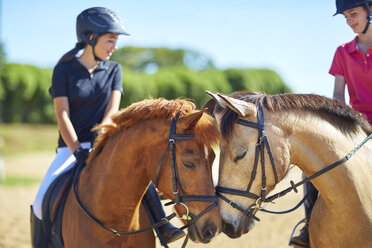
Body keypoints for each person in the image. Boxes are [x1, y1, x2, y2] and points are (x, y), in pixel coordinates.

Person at [30, 7, 184, 247]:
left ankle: (163, 226)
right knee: (41, 201)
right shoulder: (64, 71)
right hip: (70, 149)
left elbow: (111, 112)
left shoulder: (114, 70)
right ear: (90, 38)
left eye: (116, 41)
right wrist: (76, 149)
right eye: (111, 40)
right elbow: (62, 114)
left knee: (140, 179)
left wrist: (101, 143)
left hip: (105, 144)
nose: (115, 46)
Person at [290, 1, 372, 247]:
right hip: (356, 128)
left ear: (370, 10)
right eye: (346, 16)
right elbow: (338, 95)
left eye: (353, 14)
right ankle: (307, 230)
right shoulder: (342, 52)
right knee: (316, 165)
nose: (349, 21)